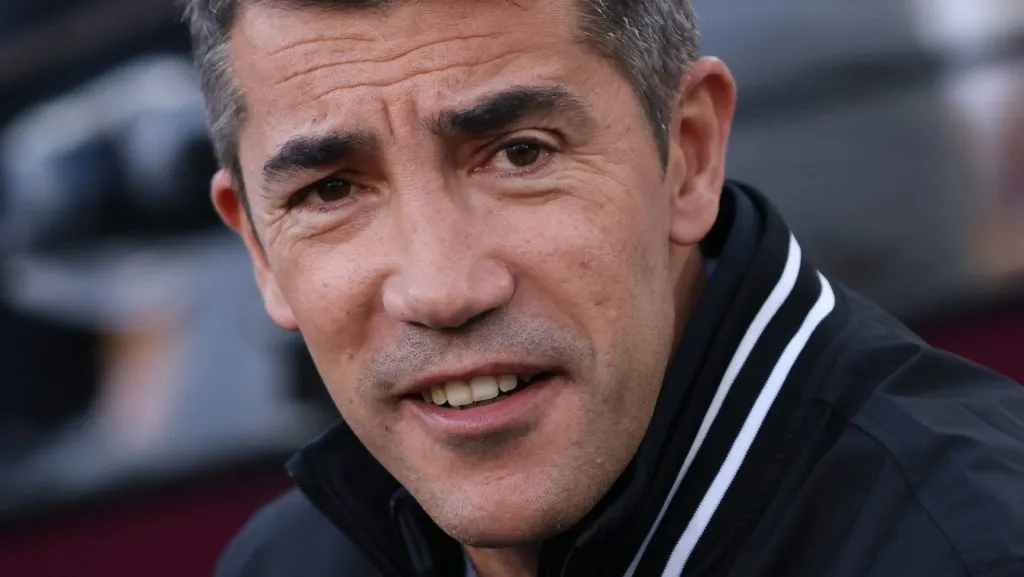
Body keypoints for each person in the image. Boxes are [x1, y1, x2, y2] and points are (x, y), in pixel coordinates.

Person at [181, 1, 1024, 575]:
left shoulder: (975, 545)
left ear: (689, 154)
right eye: (331, 191)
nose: (442, 287)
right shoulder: (287, 561)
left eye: (520, 153)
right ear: (257, 242)